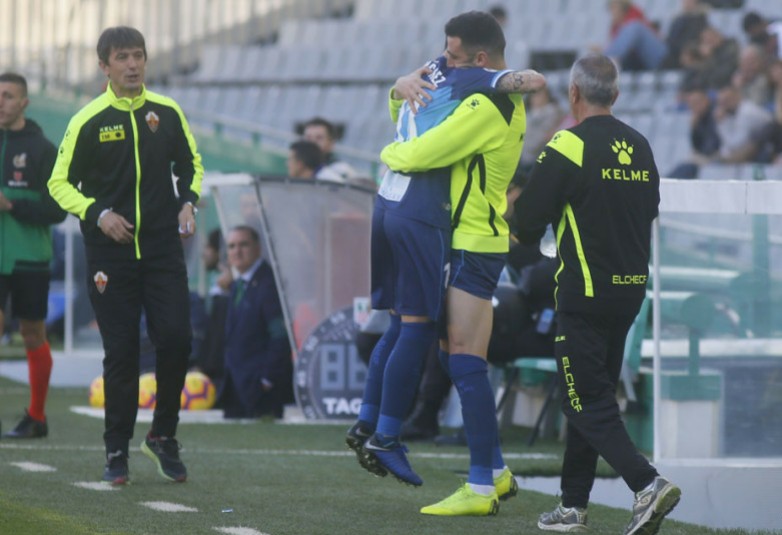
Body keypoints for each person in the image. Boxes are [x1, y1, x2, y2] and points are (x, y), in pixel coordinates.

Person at [374, 10, 543, 517]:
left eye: (452, 55)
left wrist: (390, 153)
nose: (444, 62)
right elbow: (415, 114)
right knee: (453, 355)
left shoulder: (489, 103)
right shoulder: (480, 93)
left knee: (466, 358)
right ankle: (494, 471)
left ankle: (479, 486)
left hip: (475, 242)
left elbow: (425, 150)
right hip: (463, 239)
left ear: (482, 59)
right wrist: (399, 89)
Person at [514, 53, 680, 534]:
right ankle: (573, 506)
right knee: (591, 396)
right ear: (617, 94)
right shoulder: (640, 144)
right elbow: (648, 210)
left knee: (584, 398)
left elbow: (526, 225)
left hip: (584, 292)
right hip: (630, 291)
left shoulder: (568, 143)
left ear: (573, 94)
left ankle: (646, 484)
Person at [47, 26, 203, 485]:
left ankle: (163, 436)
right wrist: (98, 214)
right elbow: (59, 184)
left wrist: (188, 199)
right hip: (108, 255)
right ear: (104, 66)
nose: (132, 65)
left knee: (176, 340)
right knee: (122, 352)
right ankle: (116, 450)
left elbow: (190, 163)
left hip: (160, 250)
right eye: (122, 58)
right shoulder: (87, 120)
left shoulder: (166, 112)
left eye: (138, 56)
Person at [0, 72, 66, 439]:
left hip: (30, 257)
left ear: (24, 103)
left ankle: (37, 417)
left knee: (31, 333)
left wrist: (12, 205)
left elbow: (57, 210)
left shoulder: (43, 149)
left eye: (8, 96)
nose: (1, 102)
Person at [220, 225, 292, 419]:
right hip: (236, 385)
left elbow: (280, 336)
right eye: (232, 246)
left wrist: (267, 379)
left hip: (260, 390)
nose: (237, 251)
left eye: (243, 244)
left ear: (258, 248)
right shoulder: (238, 284)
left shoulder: (268, 284)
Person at [603, 0, 667, 71]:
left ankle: (604, 60)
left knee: (635, 27)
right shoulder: (616, 27)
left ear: (622, 9)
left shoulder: (635, 21)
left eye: (614, 9)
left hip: (661, 59)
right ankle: (604, 59)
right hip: (640, 64)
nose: (612, 13)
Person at [301, 117, 358, 181]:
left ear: (331, 143)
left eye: (319, 138)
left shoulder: (342, 170)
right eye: (308, 138)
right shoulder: (297, 170)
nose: (312, 142)